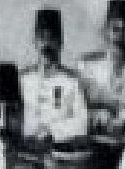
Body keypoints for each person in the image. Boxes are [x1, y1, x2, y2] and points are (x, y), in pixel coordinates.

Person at [77, 0, 125, 135]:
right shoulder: (86, 66)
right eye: (115, 29)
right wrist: (100, 116)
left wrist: (123, 120)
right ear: (105, 32)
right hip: (91, 137)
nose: (120, 36)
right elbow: (77, 108)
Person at [20, 8, 88, 143]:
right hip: (24, 145)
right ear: (35, 42)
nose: (46, 44)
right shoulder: (22, 79)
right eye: (42, 38)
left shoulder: (71, 81)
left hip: (59, 147)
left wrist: (52, 131)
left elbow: (83, 122)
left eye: (52, 38)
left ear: (60, 42)